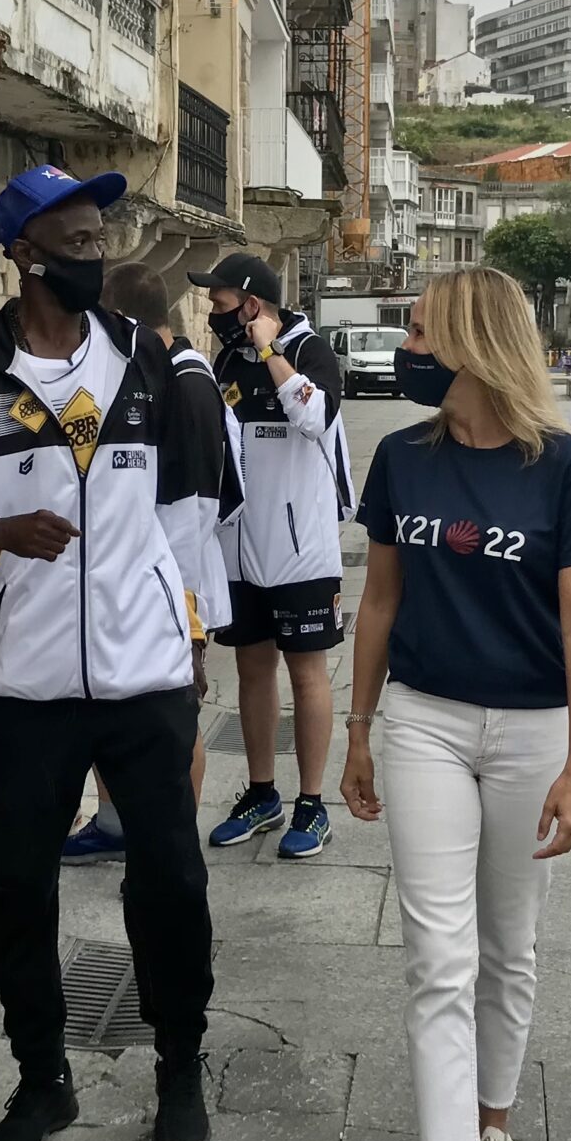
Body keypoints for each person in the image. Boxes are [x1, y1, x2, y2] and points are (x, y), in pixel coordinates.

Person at [0, 164, 221, 1141]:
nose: (96, 256)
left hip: (143, 672)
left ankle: (181, 1068)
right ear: (20, 255)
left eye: (99, 239)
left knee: (172, 882)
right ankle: (40, 1078)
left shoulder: (143, 361)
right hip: (19, 689)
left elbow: (186, 514)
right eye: (73, 244)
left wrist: (192, 635)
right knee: (15, 890)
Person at [341, 266, 571, 1141]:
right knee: (437, 955)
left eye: (417, 331)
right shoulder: (401, 458)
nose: (405, 347)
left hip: (534, 730)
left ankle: (493, 1138)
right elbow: (377, 603)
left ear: (467, 340)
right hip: (422, 721)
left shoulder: (565, 469)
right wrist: (358, 729)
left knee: (508, 946)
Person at [61, 260, 243, 862]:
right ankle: (117, 827)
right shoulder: (149, 371)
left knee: (177, 715)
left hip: (174, 585)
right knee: (120, 711)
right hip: (136, 580)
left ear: (122, 319)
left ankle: (175, 841)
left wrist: (180, 606)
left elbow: (192, 505)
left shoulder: (186, 382)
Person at [192, 251, 355, 861]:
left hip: (300, 550)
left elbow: (315, 417)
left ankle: (311, 805)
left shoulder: (310, 351)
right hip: (241, 545)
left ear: (252, 304)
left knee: (306, 671)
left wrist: (271, 352)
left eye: (221, 301)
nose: (214, 312)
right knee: (253, 669)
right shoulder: (226, 357)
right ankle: (262, 793)